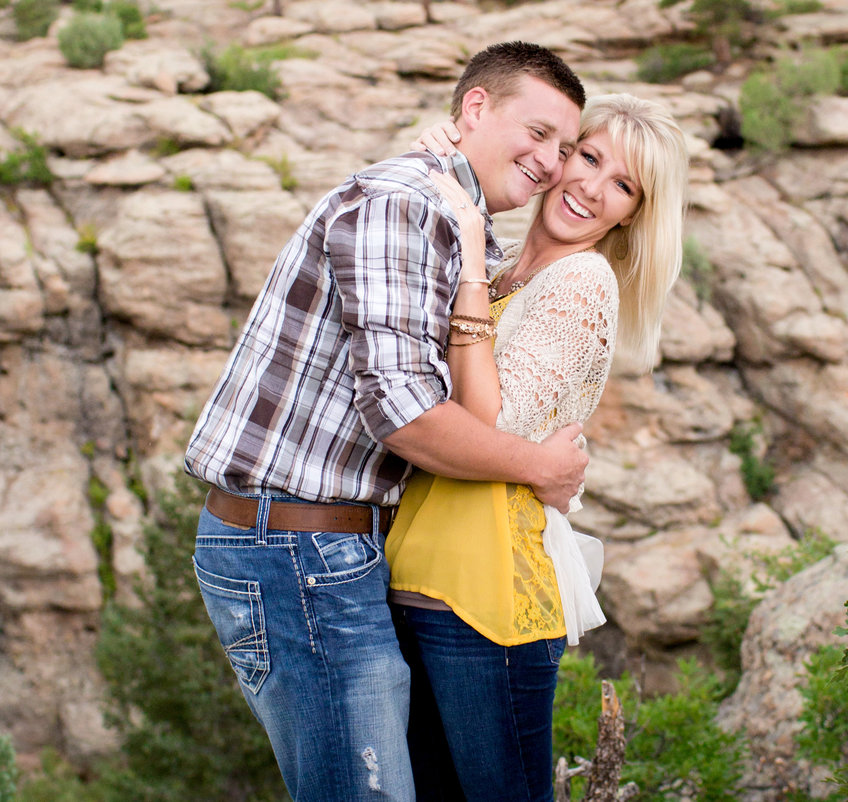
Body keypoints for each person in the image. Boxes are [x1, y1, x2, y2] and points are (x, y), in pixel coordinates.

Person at [182, 42, 589, 802]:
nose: (551, 163)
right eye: (536, 134)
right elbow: (404, 416)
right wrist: (540, 467)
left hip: (333, 548)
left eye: (565, 148)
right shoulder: (404, 204)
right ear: (474, 109)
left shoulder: (451, 216)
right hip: (295, 549)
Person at [385, 93, 689, 802]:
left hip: (489, 601)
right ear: (557, 157)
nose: (590, 186)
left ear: (631, 216)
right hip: (418, 582)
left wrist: (464, 254)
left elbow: (489, 424)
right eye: (588, 157)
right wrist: (447, 160)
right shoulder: (502, 273)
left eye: (623, 186)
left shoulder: (581, 282)